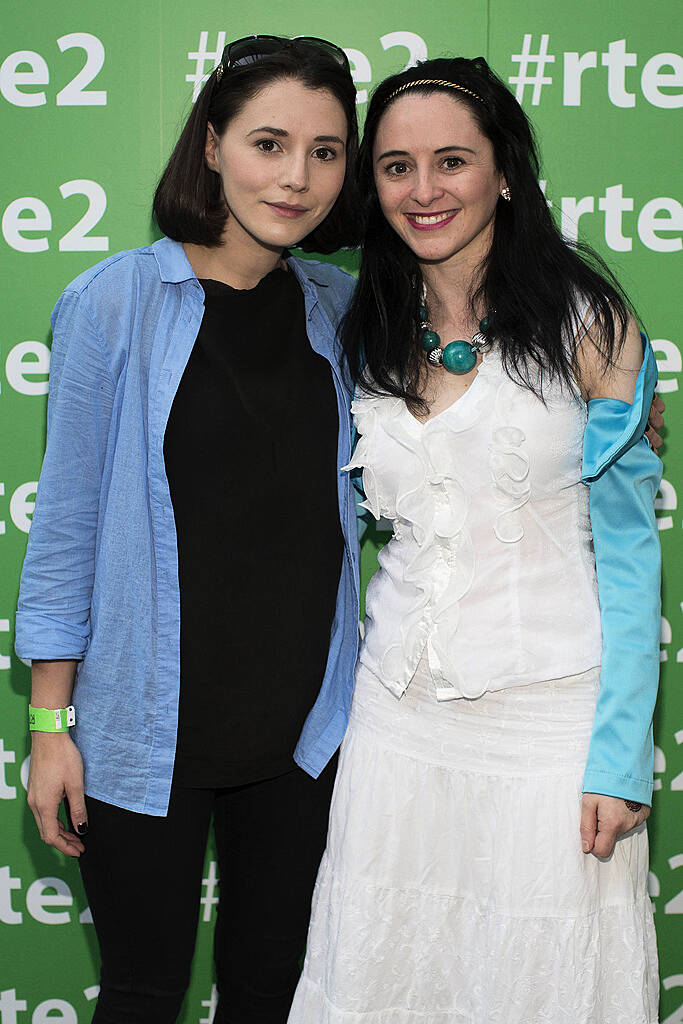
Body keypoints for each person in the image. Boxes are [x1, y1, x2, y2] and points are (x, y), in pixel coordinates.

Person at [289, 56, 662, 1023]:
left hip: (551, 724)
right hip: (398, 723)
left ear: (503, 171)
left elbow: (628, 556)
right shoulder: (356, 325)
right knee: (387, 981)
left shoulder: (590, 325)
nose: (423, 191)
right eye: (395, 167)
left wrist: (620, 758)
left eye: (451, 161)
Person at [16, 36, 362, 1024]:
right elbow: (68, 529)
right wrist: (50, 728)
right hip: (140, 733)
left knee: (266, 996)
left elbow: (484, 310)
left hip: (304, 738)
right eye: (268, 142)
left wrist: (613, 373)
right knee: (141, 996)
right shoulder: (114, 302)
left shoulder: (341, 311)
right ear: (210, 145)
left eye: (328, 151)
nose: (296, 176)